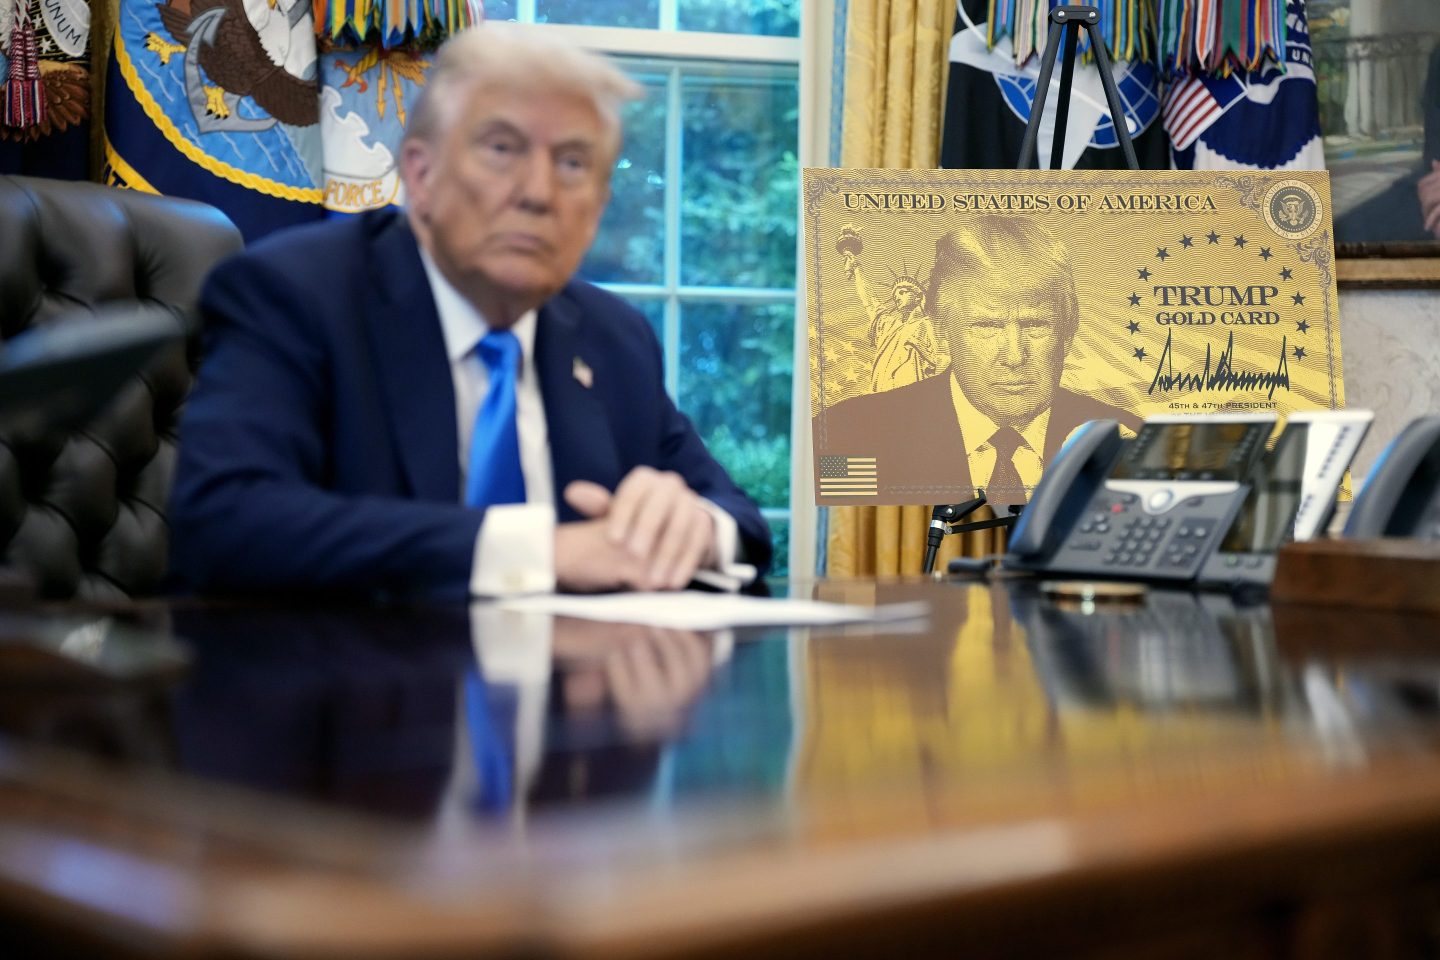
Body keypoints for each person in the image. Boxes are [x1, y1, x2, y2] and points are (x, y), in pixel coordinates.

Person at [168, 23, 771, 600]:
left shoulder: (613, 338)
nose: (538, 193)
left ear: (600, 204)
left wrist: (693, 528)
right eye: (502, 148)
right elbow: (226, 523)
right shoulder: (297, 295)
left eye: (573, 164)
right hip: (350, 692)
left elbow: (738, 519)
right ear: (421, 173)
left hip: (574, 696)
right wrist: (541, 552)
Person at [815, 216, 1141, 504]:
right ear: (942, 331)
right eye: (986, 326)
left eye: (1035, 325)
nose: (1014, 356)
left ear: (1067, 334)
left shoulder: (1128, 437)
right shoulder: (850, 433)